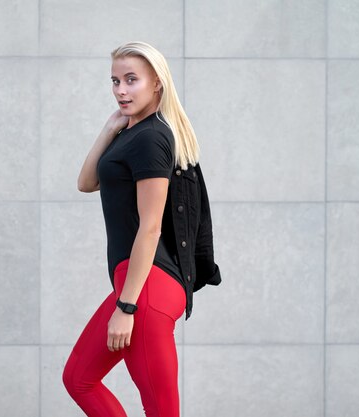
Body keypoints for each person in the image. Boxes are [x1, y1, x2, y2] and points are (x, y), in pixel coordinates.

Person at [62, 40, 217, 417]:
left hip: (146, 289)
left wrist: (127, 306)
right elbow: (86, 182)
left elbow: (150, 227)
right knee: (79, 378)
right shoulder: (133, 133)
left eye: (132, 80)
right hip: (139, 284)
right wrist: (110, 127)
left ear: (157, 84)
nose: (121, 90)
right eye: (115, 81)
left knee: (161, 410)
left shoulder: (151, 138)